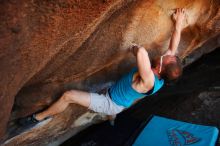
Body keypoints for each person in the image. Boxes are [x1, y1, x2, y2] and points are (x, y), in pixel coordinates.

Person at [19, 8, 185, 127]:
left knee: (68, 96)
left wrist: (133, 47)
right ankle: (112, 118)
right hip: (118, 99)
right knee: (116, 108)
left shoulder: (149, 81)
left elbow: (141, 52)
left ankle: (38, 118)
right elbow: (173, 47)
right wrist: (178, 25)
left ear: (161, 67)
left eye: (166, 57)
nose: (166, 53)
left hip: (109, 102)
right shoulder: (164, 73)